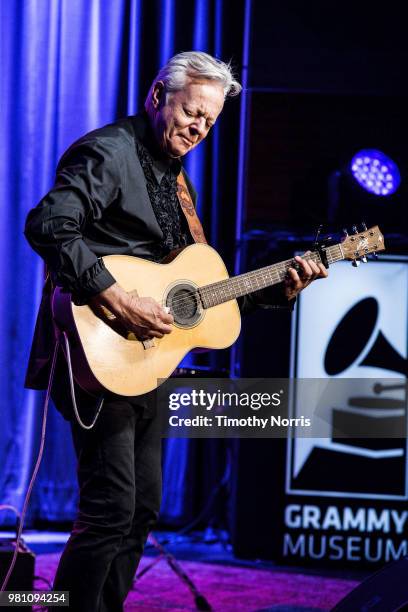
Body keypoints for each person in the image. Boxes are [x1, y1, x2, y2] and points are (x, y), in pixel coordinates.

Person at [24, 51, 328, 612]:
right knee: (111, 508)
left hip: (149, 363)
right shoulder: (109, 151)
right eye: (192, 112)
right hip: (97, 351)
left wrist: (279, 287)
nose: (199, 128)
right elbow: (48, 224)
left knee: (142, 510)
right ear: (159, 93)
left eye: (210, 122)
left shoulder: (177, 182)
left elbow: (198, 296)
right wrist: (112, 294)